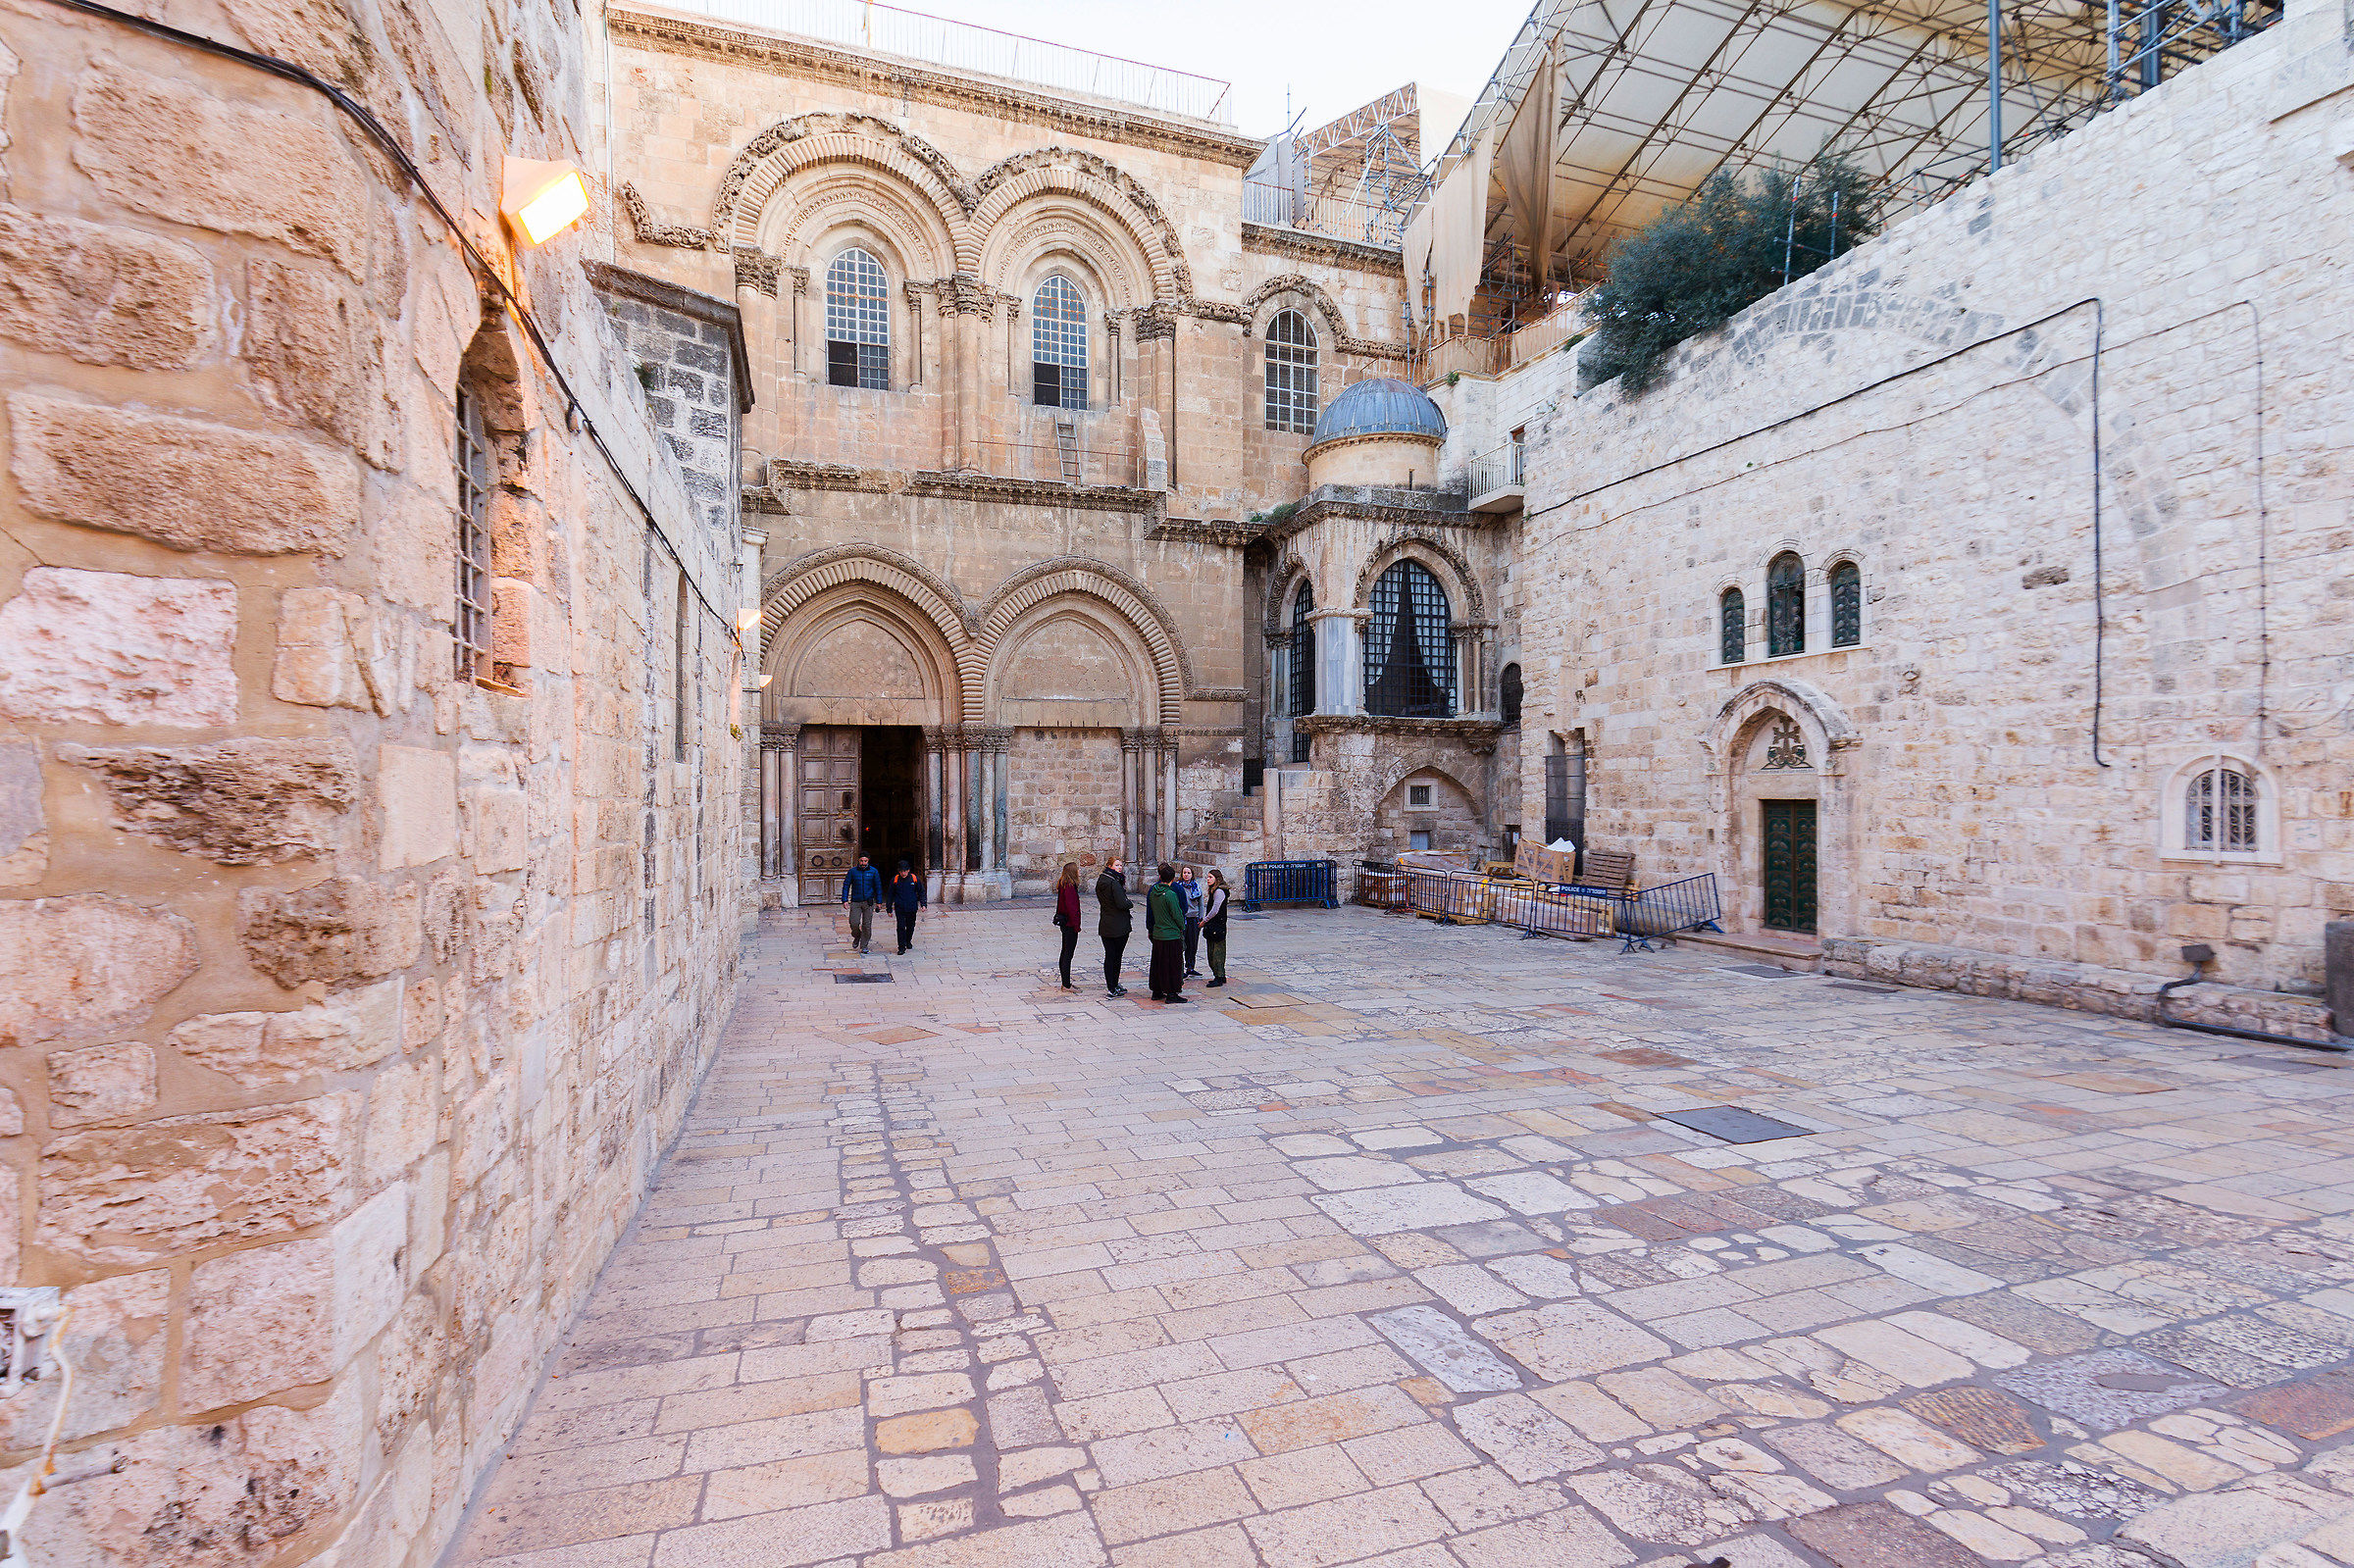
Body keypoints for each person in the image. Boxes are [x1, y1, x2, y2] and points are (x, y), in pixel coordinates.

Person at [1146, 861, 1189, 1003]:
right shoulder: (1170, 894)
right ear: (1172, 878)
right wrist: (1181, 926)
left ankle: (1157, 990)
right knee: (1172, 965)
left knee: (1158, 963)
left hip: (1158, 933)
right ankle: (1172, 993)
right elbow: (1177, 914)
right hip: (1171, 934)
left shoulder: (1153, 892)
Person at [1095, 857, 1131, 998]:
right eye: (1117, 865)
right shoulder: (1113, 882)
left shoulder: (1102, 880)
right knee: (1115, 957)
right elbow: (1122, 903)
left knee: (1111, 956)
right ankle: (1112, 986)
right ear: (1110, 866)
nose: (1120, 867)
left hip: (1106, 923)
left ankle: (1113, 984)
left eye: (1121, 865)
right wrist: (1129, 903)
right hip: (1118, 925)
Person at [839, 853, 881, 954]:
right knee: (854, 922)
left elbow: (878, 887)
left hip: (868, 902)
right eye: (861, 861)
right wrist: (844, 900)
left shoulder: (873, 872)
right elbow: (846, 885)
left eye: (865, 861)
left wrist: (879, 902)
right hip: (856, 902)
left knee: (867, 925)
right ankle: (857, 936)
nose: (863, 863)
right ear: (858, 860)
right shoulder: (852, 872)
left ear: (868, 861)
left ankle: (864, 945)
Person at [1052, 862, 1084, 989]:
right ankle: (1066, 984)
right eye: (1078, 870)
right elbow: (1072, 908)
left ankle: (1066, 983)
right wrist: (1076, 925)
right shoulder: (1069, 887)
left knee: (1065, 952)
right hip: (1070, 924)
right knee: (1067, 954)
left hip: (1066, 923)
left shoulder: (1064, 885)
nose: (1079, 872)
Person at [1202, 868, 1231, 987]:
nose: (1208, 879)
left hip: (1217, 926)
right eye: (1207, 877)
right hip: (1215, 926)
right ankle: (1220, 975)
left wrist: (1204, 920)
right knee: (1213, 951)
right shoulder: (1214, 891)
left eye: (1210, 877)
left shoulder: (1219, 892)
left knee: (1216, 952)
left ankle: (1219, 976)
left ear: (1217, 879)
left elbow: (1215, 909)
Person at [890, 859, 925, 954]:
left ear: (908, 870)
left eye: (905, 871)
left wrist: (923, 904)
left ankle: (908, 940)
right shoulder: (895, 880)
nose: (903, 873)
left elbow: (921, 891)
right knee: (900, 927)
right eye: (901, 871)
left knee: (910, 926)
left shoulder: (914, 879)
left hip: (911, 907)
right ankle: (901, 947)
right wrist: (889, 908)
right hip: (899, 907)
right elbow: (890, 894)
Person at [1178, 864, 1204, 978]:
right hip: (1183, 918)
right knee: (1182, 944)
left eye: (1188, 873)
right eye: (1184, 872)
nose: (1186, 875)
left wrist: (1201, 918)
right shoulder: (1178, 887)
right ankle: (1180, 968)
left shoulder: (1196, 887)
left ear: (1192, 874)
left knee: (1192, 944)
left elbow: (1201, 904)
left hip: (1193, 918)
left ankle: (1190, 967)